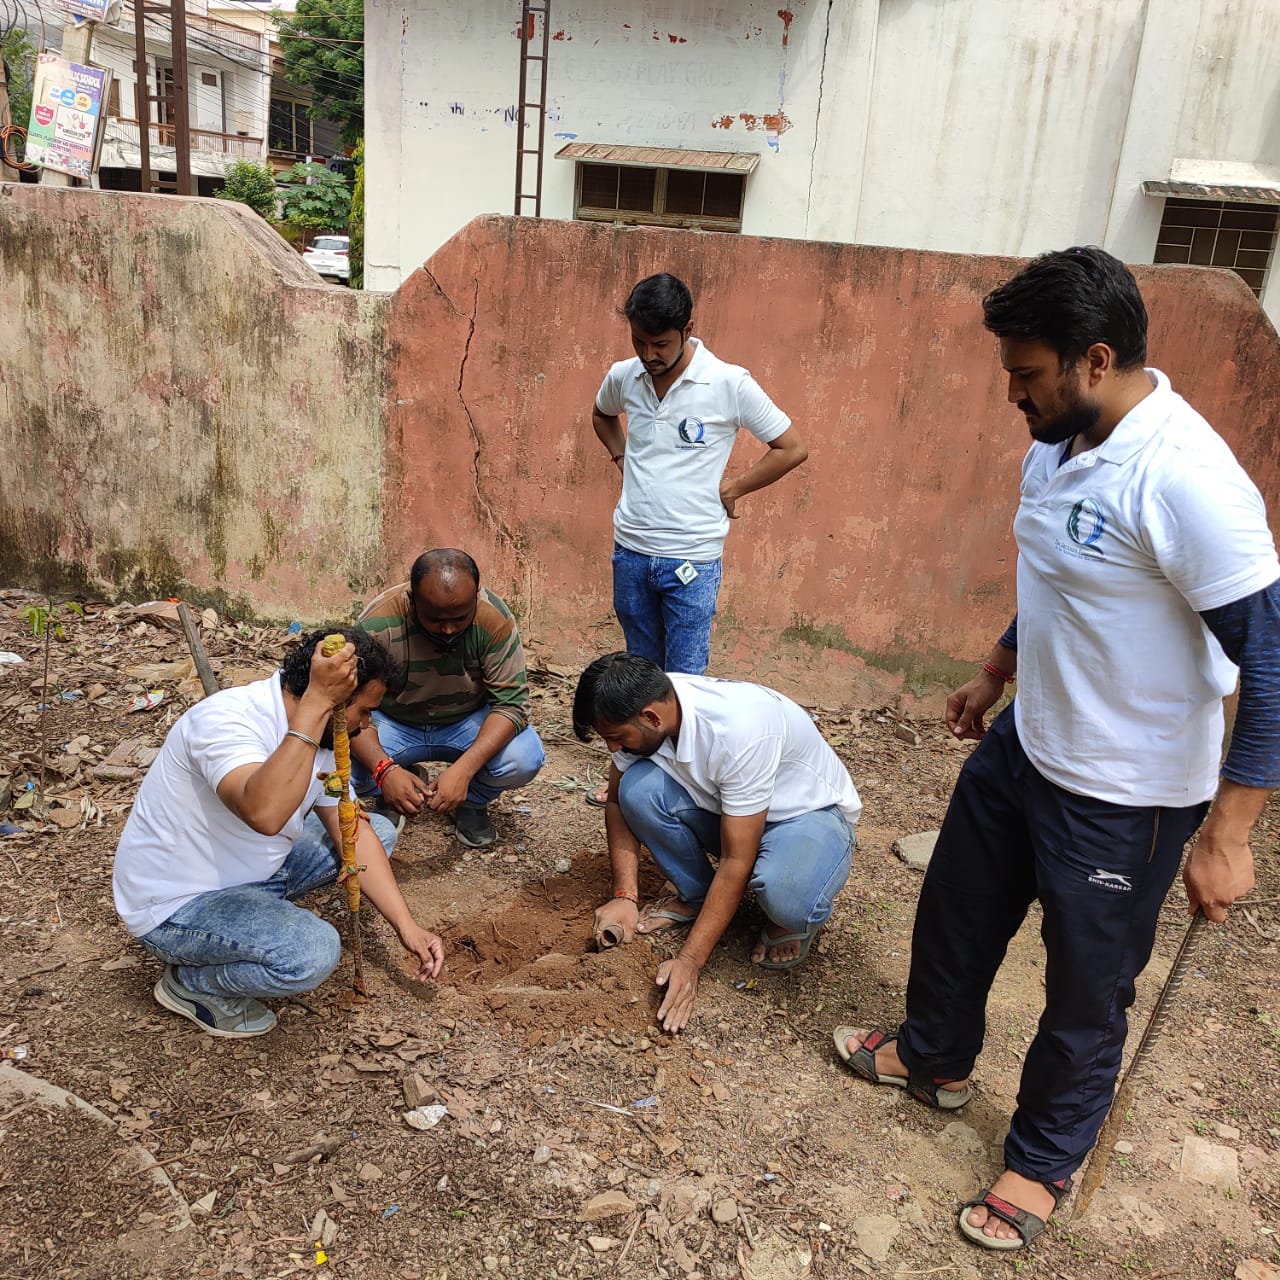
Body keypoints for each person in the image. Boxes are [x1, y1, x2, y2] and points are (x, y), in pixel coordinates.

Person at [832, 247, 1280, 1252]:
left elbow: (1270, 655)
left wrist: (1230, 831)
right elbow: (1054, 574)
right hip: (1028, 745)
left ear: (1092, 357)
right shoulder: (1059, 438)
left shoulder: (1185, 481)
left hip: (1126, 788)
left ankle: (1037, 1160)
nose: (1009, 396)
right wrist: (994, 670)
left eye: (1024, 375)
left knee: (1084, 986)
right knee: (953, 912)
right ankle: (933, 1056)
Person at [112, 629, 445, 1039]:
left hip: (254, 870)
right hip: (178, 904)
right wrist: (319, 704)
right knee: (311, 953)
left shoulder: (323, 735)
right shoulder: (225, 721)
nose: (365, 725)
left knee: (373, 829)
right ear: (334, 699)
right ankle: (192, 985)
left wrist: (406, 927)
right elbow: (264, 813)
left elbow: (351, 831)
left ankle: (258, 915)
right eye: (364, 711)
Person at [588, 273, 808, 804]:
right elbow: (601, 415)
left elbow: (790, 446)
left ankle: (683, 785)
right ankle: (633, 773)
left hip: (693, 557)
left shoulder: (728, 383)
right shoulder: (626, 376)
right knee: (639, 673)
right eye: (638, 342)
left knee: (686, 680)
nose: (648, 355)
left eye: (659, 344)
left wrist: (734, 487)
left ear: (688, 330)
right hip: (632, 550)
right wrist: (623, 459)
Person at [574, 652, 861, 1033]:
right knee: (637, 790)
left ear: (651, 718)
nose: (612, 748)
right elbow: (614, 798)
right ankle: (698, 897)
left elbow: (736, 860)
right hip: (730, 810)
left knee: (787, 895)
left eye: (614, 737)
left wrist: (689, 961)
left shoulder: (739, 731)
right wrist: (625, 895)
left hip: (804, 816)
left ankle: (787, 917)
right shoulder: (650, 704)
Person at [352, 548, 545, 849]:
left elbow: (511, 705)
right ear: (412, 600)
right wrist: (384, 770)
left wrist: (465, 771)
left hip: (465, 722)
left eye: (460, 617)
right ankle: (392, 791)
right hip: (392, 722)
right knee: (337, 769)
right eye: (435, 619)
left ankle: (471, 802)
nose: (449, 628)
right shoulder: (378, 624)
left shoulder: (493, 618)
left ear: (477, 596)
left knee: (524, 757)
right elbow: (348, 709)